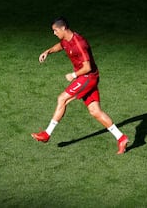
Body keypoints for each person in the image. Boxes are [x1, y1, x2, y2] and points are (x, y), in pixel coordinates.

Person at [31, 17, 129, 154]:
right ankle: (121, 138)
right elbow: (61, 45)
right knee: (95, 111)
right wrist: (47, 52)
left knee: (62, 99)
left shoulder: (79, 43)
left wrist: (74, 75)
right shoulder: (66, 40)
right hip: (87, 78)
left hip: (87, 77)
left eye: (55, 30)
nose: (54, 33)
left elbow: (87, 67)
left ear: (63, 28)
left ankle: (47, 134)